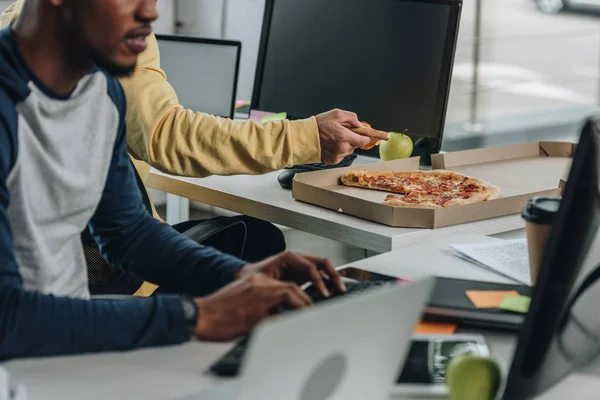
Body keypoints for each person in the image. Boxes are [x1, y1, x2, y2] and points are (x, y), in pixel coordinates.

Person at [0, 0, 347, 361]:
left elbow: (127, 233)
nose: (150, 13)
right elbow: (7, 319)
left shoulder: (100, 92)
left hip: (65, 347)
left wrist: (240, 274)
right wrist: (196, 317)